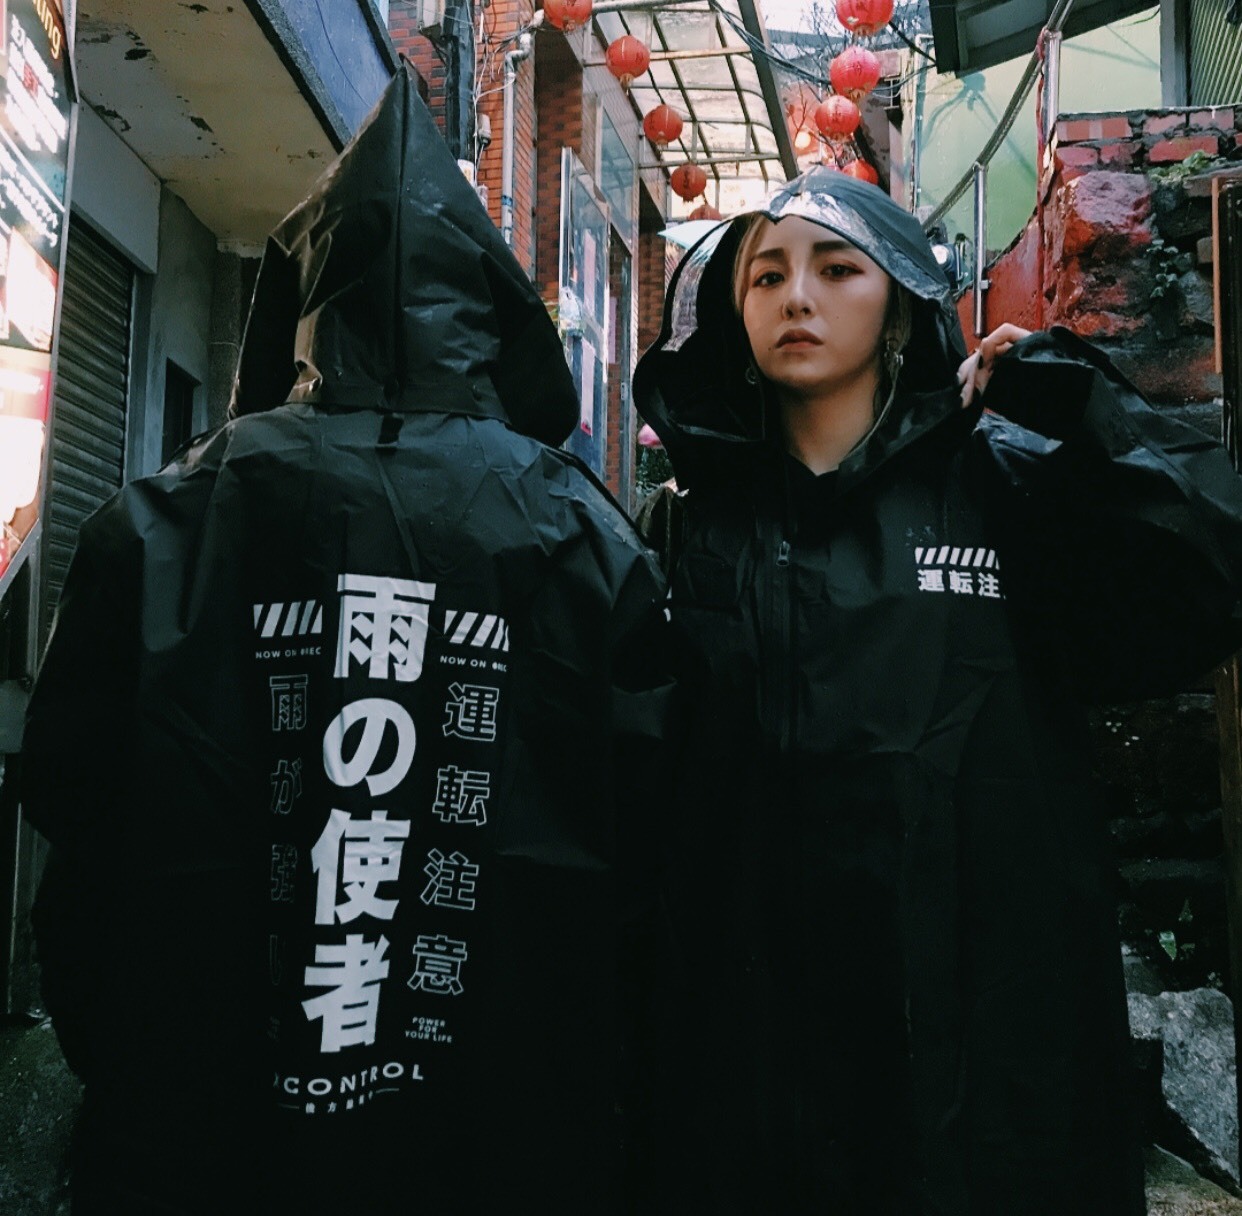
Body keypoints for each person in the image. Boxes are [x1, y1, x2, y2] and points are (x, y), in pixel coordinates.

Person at [22, 68, 667, 1214]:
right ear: (496, 310)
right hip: (498, 1125)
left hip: (206, 1125)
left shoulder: (174, 510)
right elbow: (652, 834)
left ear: (302, 297)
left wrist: (120, 1054)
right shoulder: (581, 529)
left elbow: (75, 800)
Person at [631, 167, 1242, 1214]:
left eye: (837, 269)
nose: (797, 297)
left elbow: (1204, 573)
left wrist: (1079, 406)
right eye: (766, 276)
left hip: (975, 1023)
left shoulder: (1005, 484)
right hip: (756, 1033)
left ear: (901, 304)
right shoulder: (692, 524)